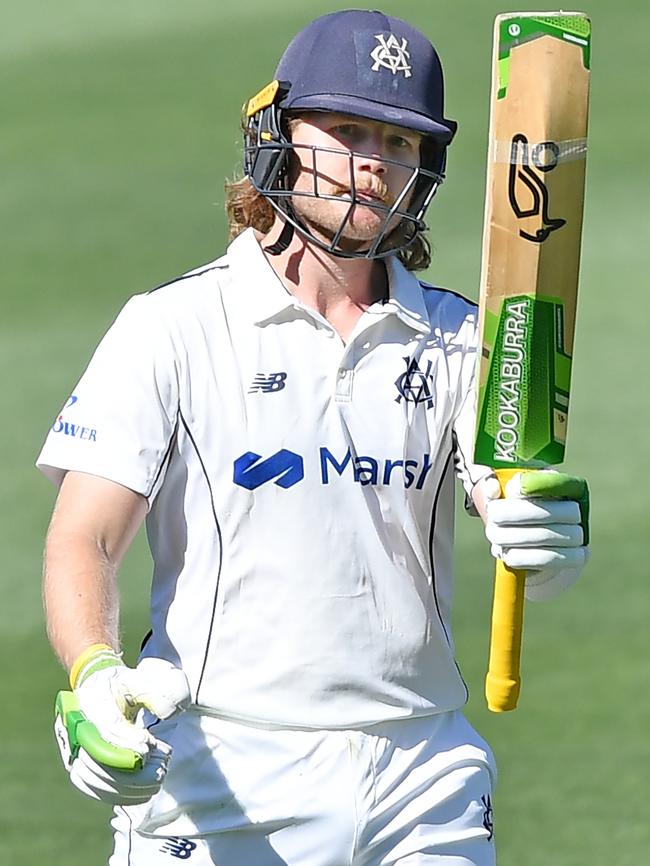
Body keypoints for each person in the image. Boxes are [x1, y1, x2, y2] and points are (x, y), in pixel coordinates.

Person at [38, 10, 590, 866]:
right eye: (346, 131)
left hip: (423, 770)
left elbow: (505, 492)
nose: (372, 164)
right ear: (279, 137)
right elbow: (85, 536)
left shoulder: (461, 340)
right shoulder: (174, 325)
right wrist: (96, 677)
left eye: (399, 143)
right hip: (226, 764)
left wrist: (541, 539)